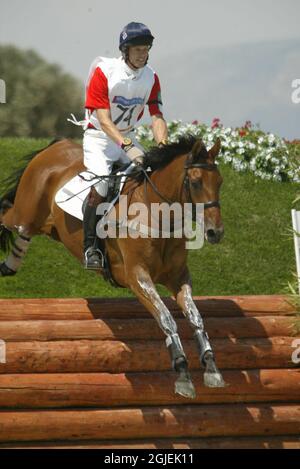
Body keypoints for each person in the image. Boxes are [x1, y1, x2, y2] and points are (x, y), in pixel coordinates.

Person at [81, 21, 168, 270]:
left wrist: (163, 147)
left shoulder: (151, 77)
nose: (143, 54)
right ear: (125, 50)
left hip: (126, 137)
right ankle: (91, 249)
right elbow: (104, 120)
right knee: (101, 184)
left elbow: (157, 116)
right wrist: (128, 145)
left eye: (146, 49)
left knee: (153, 175)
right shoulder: (104, 71)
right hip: (99, 138)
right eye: (138, 49)